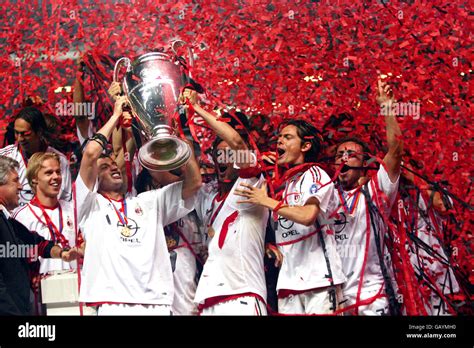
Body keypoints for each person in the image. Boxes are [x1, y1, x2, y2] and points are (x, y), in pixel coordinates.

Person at [76, 96, 201, 315]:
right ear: (94, 177)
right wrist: (115, 116)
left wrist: (176, 142)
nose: (114, 167)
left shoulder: (149, 201)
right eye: (105, 167)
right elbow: (89, 154)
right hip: (113, 302)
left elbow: (194, 183)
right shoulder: (89, 205)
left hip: (156, 303)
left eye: (115, 164)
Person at [235, 118, 346, 315]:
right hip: (287, 283)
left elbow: (308, 215)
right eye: (279, 138)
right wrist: (269, 245)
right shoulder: (284, 185)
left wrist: (266, 200)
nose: (279, 142)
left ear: (306, 145)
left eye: (287, 137)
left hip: (319, 280)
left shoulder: (315, 174)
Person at [182, 88, 270, 315]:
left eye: (229, 155)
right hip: (209, 298)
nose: (224, 159)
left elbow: (238, 143)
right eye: (219, 155)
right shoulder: (207, 195)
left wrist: (197, 110)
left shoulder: (249, 184)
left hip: (243, 295)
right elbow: (187, 168)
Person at [330, 78, 403, 315]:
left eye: (350, 154)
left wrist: (387, 108)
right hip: (335, 298)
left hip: (372, 296)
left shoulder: (375, 191)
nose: (343, 158)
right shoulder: (325, 197)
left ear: (364, 163)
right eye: (339, 154)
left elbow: (396, 150)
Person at [0, 155, 78, 315]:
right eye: (15, 180)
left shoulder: (9, 222)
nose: (21, 187)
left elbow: (35, 245)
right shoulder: (15, 217)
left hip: (20, 307)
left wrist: (62, 253)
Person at [136, 167, 206, 315]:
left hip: (185, 278)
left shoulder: (190, 210)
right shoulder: (140, 211)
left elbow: (193, 183)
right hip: (154, 287)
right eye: (155, 185)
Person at [12, 152, 80, 275]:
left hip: (74, 285)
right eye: (49, 173)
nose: (56, 177)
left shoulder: (73, 209)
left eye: (58, 172)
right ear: (34, 179)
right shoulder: (21, 217)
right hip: (42, 289)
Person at [0, 107, 72, 206]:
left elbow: (65, 200)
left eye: (26, 134)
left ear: (39, 132)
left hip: (46, 219)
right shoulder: (4, 156)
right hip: (12, 219)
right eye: (17, 133)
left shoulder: (59, 160)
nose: (20, 138)